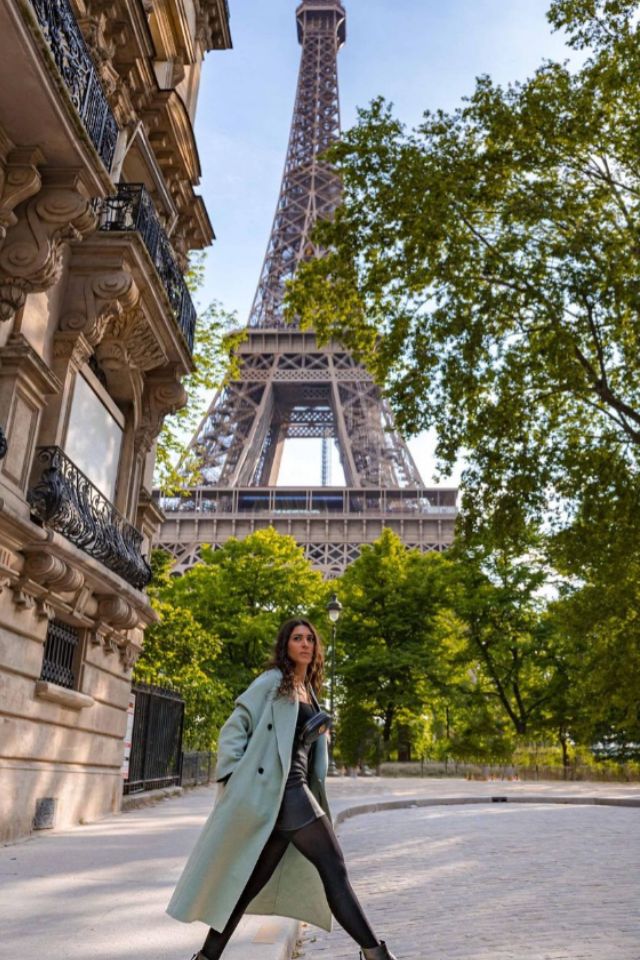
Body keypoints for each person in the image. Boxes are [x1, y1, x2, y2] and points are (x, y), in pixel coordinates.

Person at [167, 618, 397, 960]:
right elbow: (234, 727)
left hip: (292, 792)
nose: (305, 644)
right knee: (333, 867)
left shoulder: (309, 690)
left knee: (247, 885)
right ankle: (374, 954)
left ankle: (206, 957)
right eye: (297, 638)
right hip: (285, 792)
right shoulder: (273, 682)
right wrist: (235, 778)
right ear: (285, 646)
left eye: (310, 639)